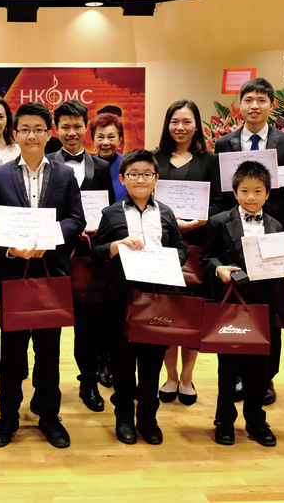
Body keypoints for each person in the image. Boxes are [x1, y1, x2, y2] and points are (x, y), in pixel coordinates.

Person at [0, 102, 86, 449]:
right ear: (15, 134)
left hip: (50, 273)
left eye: (39, 129)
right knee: (12, 353)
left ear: (48, 134)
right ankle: (7, 417)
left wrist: (50, 238)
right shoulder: (0, 176)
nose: (31, 135)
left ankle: (49, 415)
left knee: (48, 353)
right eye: (25, 129)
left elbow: (76, 220)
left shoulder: (64, 175)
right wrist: (10, 249)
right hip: (14, 275)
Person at [213, 77, 284, 404]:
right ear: (239, 105)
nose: (255, 106)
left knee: (270, 309)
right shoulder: (224, 143)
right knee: (237, 306)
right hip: (234, 238)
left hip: (275, 237)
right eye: (248, 100)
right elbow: (222, 194)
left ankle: (266, 377)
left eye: (261, 100)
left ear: (271, 105)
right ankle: (238, 371)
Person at [201, 161, 284, 448]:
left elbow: (283, 264)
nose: (250, 197)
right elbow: (206, 257)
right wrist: (219, 269)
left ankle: (256, 420)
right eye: (244, 190)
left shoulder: (277, 225)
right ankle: (224, 421)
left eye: (257, 191)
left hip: (263, 304)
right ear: (234, 192)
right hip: (232, 302)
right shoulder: (219, 221)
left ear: (268, 194)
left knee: (260, 367)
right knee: (228, 367)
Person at [91, 149, 188, 445]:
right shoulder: (111, 213)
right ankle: (124, 418)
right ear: (122, 179)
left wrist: (168, 259)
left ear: (156, 179)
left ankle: (148, 417)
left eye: (147, 173)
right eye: (133, 174)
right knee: (122, 361)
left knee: (151, 362)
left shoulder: (167, 213)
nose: (140, 179)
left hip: (157, 297)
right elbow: (96, 252)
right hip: (122, 296)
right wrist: (116, 246)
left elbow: (182, 250)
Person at [152, 99, 221, 406]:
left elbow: (221, 202)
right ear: (167, 125)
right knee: (167, 312)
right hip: (162, 245)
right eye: (174, 122)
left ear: (197, 125)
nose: (180, 128)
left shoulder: (210, 160)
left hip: (199, 246)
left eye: (187, 122)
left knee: (193, 312)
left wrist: (196, 222)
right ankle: (169, 375)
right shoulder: (154, 159)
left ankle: (188, 377)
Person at [48, 99, 115, 411]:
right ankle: (46, 387)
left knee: (89, 325)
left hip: (87, 255)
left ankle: (88, 383)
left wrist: (98, 231)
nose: (71, 132)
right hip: (52, 254)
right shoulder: (45, 163)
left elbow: (109, 210)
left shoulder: (101, 167)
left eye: (77, 126)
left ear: (85, 128)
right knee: (49, 325)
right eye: (65, 127)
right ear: (56, 129)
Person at [91, 112, 127, 203]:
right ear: (93, 139)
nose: (106, 142)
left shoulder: (129, 165)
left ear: (120, 139)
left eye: (111, 137)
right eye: (100, 137)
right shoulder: (87, 165)